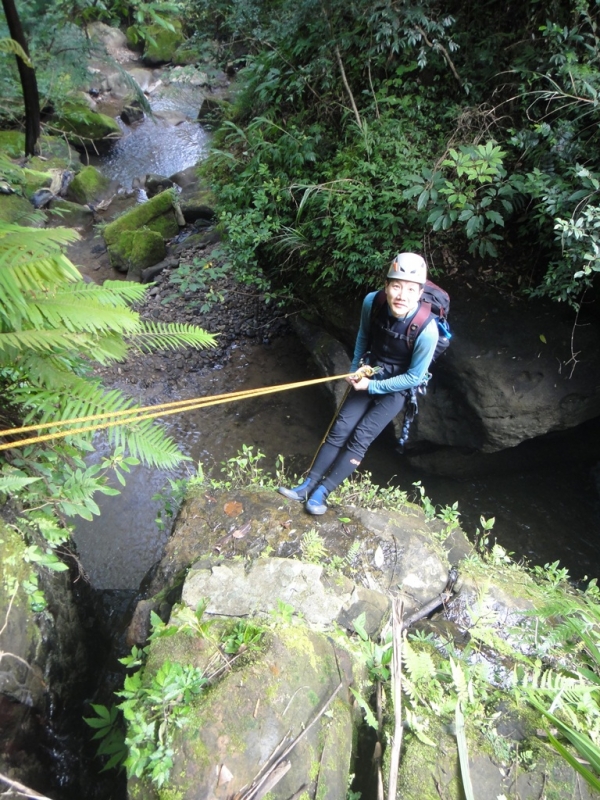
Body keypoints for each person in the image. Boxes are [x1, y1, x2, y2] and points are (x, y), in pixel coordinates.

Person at [278, 252, 439, 515]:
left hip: (396, 388)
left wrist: (372, 387)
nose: (402, 295)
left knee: (360, 437)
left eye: (411, 289)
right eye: (396, 286)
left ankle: (322, 493)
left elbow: (414, 377)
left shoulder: (426, 329)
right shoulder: (372, 303)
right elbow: (364, 337)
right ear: (386, 286)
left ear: (420, 293)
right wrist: (355, 371)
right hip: (369, 372)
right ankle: (306, 486)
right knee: (340, 428)